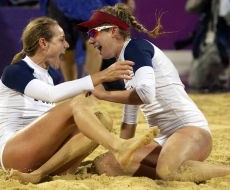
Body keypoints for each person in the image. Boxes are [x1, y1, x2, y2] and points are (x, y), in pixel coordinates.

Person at [76, 3, 230, 182]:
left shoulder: (136, 47)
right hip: (165, 139)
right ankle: (174, 168)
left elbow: (146, 95)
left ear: (114, 31)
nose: (90, 40)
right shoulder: (123, 60)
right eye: (89, 35)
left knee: (167, 172)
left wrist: (104, 95)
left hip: (190, 130)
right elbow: (129, 120)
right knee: (106, 164)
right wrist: (120, 151)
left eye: (93, 33)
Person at [0, 16, 159, 184]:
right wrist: (101, 76)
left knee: (102, 119)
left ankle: (41, 173)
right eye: (61, 40)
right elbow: (52, 94)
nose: (66, 46)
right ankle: (119, 147)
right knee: (78, 103)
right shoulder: (15, 71)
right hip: (14, 154)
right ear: (43, 43)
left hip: (39, 156)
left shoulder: (49, 76)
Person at [40, 0, 135, 82]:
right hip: (58, 6)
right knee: (65, 50)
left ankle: (89, 90)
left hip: (90, 5)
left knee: (96, 44)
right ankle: (72, 90)